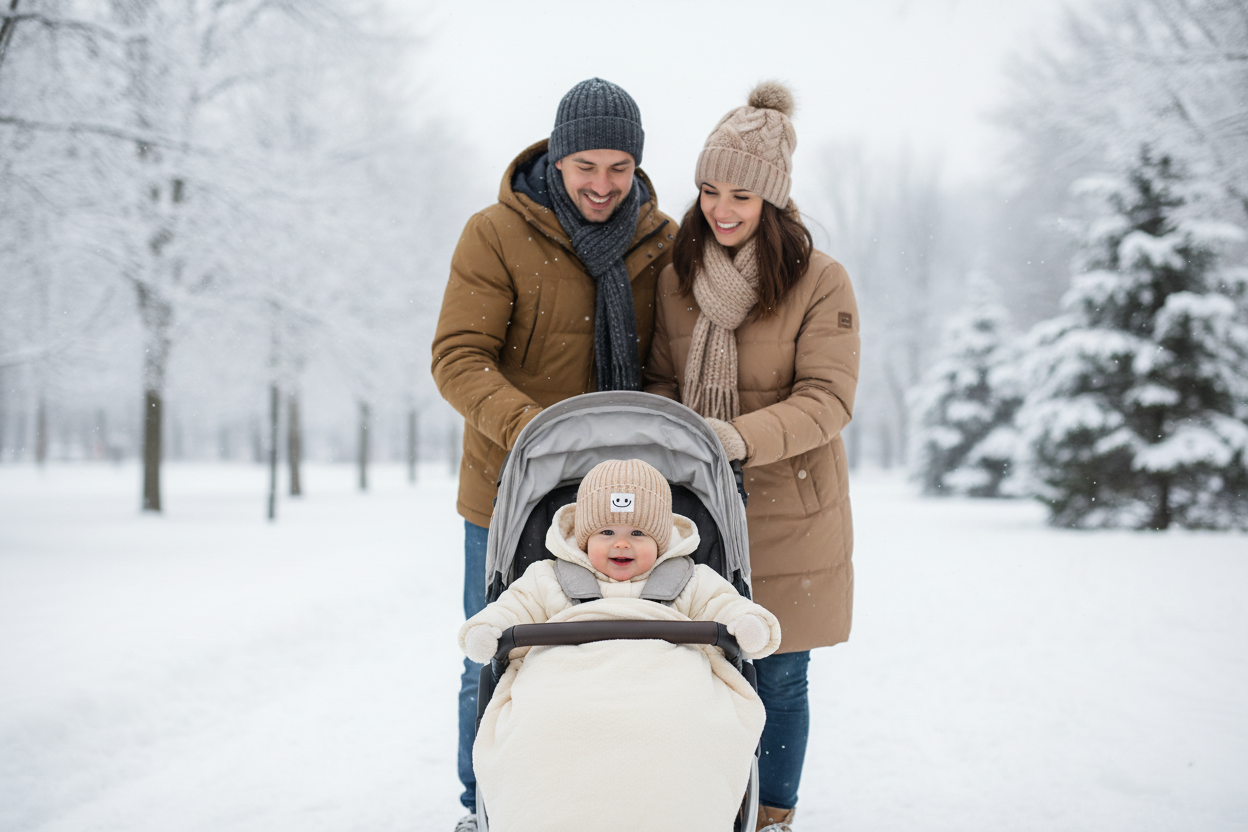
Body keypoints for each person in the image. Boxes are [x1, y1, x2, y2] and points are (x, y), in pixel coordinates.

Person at [431, 78, 676, 832]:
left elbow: (670, 356)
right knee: (501, 648)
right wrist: (541, 433)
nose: (603, 186)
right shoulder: (496, 234)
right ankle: (483, 804)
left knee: (624, 652)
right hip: (511, 487)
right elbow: (458, 357)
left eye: (620, 169)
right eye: (587, 167)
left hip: (625, 497)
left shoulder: (662, 241)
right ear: (559, 158)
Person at [644, 81, 861, 832]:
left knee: (781, 674)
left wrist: (737, 437)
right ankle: (704, 809)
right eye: (708, 189)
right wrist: (681, 436)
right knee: (697, 671)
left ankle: (773, 818)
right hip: (696, 507)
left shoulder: (818, 279)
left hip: (790, 511)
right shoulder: (676, 279)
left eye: (739, 192)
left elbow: (828, 400)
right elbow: (660, 382)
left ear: (771, 197)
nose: (720, 208)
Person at [458, 458, 781, 663]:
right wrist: (488, 628)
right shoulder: (548, 578)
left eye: (639, 532)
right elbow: (514, 608)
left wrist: (747, 622)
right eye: (607, 531)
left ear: (661, 540)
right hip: (569, 689)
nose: (622, 543)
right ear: (584, 539)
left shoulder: (691, 579)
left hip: (668, 692)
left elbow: (725, 604)